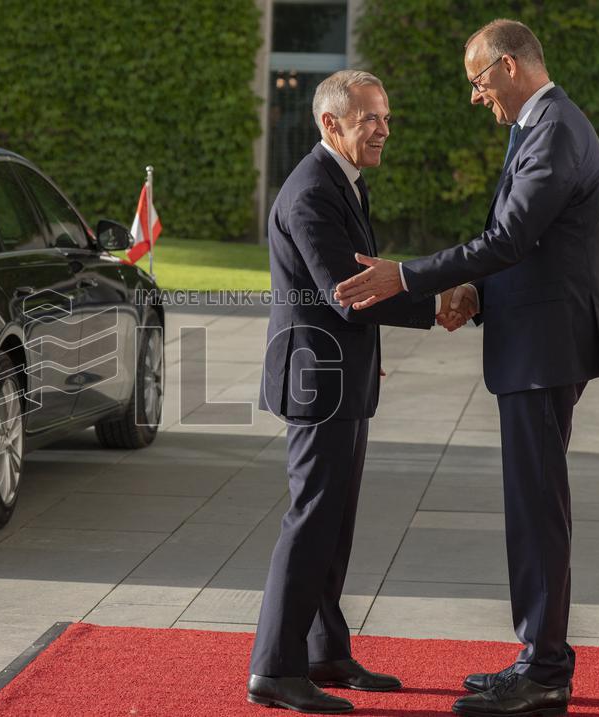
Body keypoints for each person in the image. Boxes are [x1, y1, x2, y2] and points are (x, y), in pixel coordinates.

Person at [334, 19, 599, 717]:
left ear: (510, 66)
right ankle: (537, 658)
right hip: (538, 341)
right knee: (534, 506)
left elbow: (510, 235)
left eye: (477, 80)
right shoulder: (542, 125)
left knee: (537, 509)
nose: (475, 96)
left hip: (546, 346)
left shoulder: (551, 127)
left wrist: (408, 276)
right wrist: (473, 289)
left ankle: (546, 669)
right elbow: (527, 244)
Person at [248, 69, 466, 715]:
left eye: (387, 117)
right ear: (330, 123)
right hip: (317, 381)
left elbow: (356, 281)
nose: (383, 129)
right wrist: (439, 305)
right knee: (312, 518)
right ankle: (274, 668)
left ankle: (324, 652)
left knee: (333, 521)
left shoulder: (341, 182)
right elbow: (350, 293)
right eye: (370, 117)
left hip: (338, 376)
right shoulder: (313, 191)